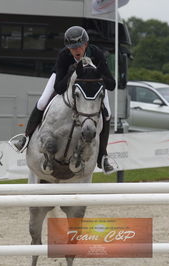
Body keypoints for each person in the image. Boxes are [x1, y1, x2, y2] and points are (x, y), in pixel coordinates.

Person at [11, 26, 116, 174]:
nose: (76, 51)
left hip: (91, 85)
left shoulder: (96, 53)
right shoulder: (64, 56)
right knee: (42, 101)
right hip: (65, 80)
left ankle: (103, 156)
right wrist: (71, 71)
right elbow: (59, 88)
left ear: (86, 44)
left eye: (79, 46)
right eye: (72, 48)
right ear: (68, 48)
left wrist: (99, 75)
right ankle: (25, 137)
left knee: (107, 114)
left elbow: (111, 84)